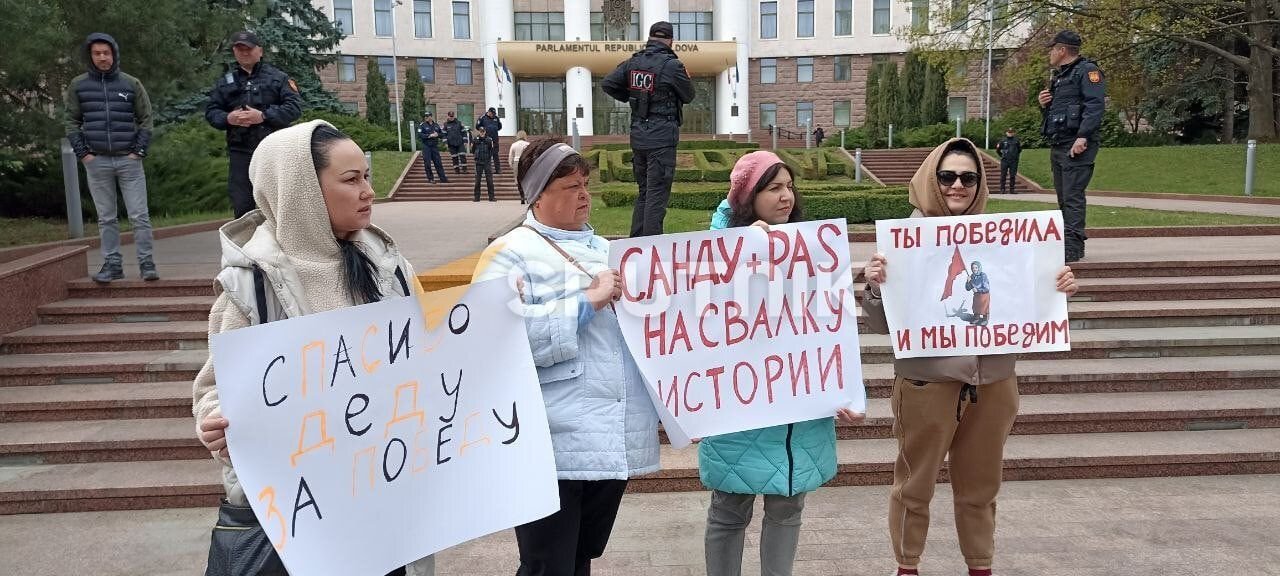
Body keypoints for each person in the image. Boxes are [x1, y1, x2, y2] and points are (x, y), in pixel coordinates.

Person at [193, 120, 432, 575]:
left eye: (368, 177)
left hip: (384, 495)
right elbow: (213, 388)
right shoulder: (251, 284)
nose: (367, 191)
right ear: (299, 189)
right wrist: (217, 422)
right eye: (351, 179)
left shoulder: (390, 267)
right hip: (296, 510)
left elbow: (431, 352)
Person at [862, 138, 1078, 576]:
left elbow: (1025, 301)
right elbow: (884, 325)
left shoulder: (1005, 242)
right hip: (926, 383)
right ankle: (907, 567)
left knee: (981, 485)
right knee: (914, 486)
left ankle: (980, 566)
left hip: (994, 382)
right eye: (947, 176)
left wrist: (1056, 285)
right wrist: (874, 286)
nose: (957, 185)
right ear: (930, 180)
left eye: (968, 177)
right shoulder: (902, 242)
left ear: (979, 184)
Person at [472, 138, 660, 576]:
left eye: (585, 184)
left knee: (579, 559)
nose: (584, 195)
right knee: (545, 566)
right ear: (538, 195)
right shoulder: (508, 253)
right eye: (571, 187)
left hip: (612, 437)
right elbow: (493, 340)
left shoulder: (609, 251)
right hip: (549, 442)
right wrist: (584, 302)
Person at [700, 150, 864, 576]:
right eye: (773, 188)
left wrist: (842, 390)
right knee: (729, 510)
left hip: (800, 416)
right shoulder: (712, 251)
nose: (785, 196)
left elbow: (831, 329)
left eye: (789, 186)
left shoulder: (815, 248)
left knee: (788, 509)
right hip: (741, 410)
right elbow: (701, 318)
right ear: (748, 197)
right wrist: (738, 252)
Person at [64, 32, 159, 283]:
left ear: (114, 54)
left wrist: (138, 151)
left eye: (106, 52)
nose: (102, 57)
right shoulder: (78, 85)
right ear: (90, 56)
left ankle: (146, 263)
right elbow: (71, 121)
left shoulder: (130, 84)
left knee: (139, 215)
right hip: (97, 162)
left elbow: (146, 119)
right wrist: (84, 154)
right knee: (106, 217)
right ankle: (112, 264)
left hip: (129, 161)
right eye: (97, 53)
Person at [601, 21, 696, 237]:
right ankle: (652, 251)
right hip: (662, 139)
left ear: (650, 38)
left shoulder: (632, 63)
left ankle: (635, 245)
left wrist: (632, 97)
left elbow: (608, 83)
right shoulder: (673, 66)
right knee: (657, 196)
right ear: (671, 41)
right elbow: (689, 96)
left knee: (645, 193)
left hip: (639, 138)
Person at [206, 30, 304, 218]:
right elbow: (211, 112)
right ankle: (247, 246)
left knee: (278, 204)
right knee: (243, 205)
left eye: (248, 49)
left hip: (273, 150)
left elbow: (294, 108)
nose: (244, 53)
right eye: (239, 49)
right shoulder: (225, 82)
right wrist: (228, 118)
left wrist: (264, 116)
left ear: (260, 51)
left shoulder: (278, 78)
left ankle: (281, 245)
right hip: (240, 151)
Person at [1039, 30, 1104, 262]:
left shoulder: (1088, 71)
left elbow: (1095, 106)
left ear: (1062, 50)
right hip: (1059, 142)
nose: (1050, 53)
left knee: (1073, 195)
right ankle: (1065, 242)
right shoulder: (1060, 77)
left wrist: (1083, 136)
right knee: (1063, 197)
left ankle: (1073, 247)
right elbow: (1059, 112)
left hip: (1076, 144)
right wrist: (1044, 105)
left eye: (1052, 49)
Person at [416, 112, 448, 183]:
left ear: (431, 117)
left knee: (438, 163)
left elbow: (442, 134)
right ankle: (431, 178)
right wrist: (429, 136)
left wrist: (437, 135)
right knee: (427, 163)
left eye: (427, 116)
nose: (426, 118)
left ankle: (443, 178)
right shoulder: (422, 125)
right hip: (426, 146)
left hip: (434, 147)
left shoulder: (436, 125)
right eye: (425, 116)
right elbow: (419, 135)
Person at [476, 107, 504, 174]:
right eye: (492, 113)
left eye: (494, 114)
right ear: (489, 112)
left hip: (495, 139)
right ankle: (487, 170)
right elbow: (477, 126)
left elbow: (499, 127)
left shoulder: (496, 118)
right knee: (487, 155)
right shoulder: (482, 117)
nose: (493, 115)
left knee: (495, 154)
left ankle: (498, 169)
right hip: (486, 139)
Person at [472, 126, 496, 202]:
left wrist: (488, 158)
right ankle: (476, 197)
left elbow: (492, 150)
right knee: (477, 181)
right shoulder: (475, 139)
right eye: (481, 131)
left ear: (485, 132)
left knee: (489, 180)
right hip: (478, 162)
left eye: (483, 131)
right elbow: (473, 150)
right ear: (479, 132)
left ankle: (491, 197)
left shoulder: (489, 140)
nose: (482, 133)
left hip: (487, 162)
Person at [995, 128, 1021, 194]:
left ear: (1014, 133)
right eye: (1009, 132)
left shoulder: (1016, 141)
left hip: (1013, 161)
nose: (1010, 133)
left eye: (1011, 132)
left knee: (1012, 175)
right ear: (1006, 133)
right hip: (1005, 161)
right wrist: (1002, 156)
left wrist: (1015, 156)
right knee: (1003, 175)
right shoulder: (1003, 141)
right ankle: (1002, 189)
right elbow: (998, 150)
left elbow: (1019, 150)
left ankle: (1012, 190)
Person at [965, 261, 991, 326]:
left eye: (976, 268)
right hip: (977, 295)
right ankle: (976, 317)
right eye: (973, 268)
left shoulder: (983, 276)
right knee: (976, 307)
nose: (974, 269)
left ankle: (985, 319)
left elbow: (987, 288)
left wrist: (978, 290)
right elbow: (968, 288)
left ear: (979, 268)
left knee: (984, 307)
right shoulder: (972, 276)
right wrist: (968, 282)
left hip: (984, 295)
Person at [509, 130, 531, 201]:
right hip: (525, 161)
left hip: (516, 161)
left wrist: (511, 165)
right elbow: (531, 155)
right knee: (527, 179)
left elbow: (510, 156)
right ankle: (527, 195)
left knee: (518, 180)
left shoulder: (514, 144)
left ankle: (522, 196)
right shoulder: (528, 144)